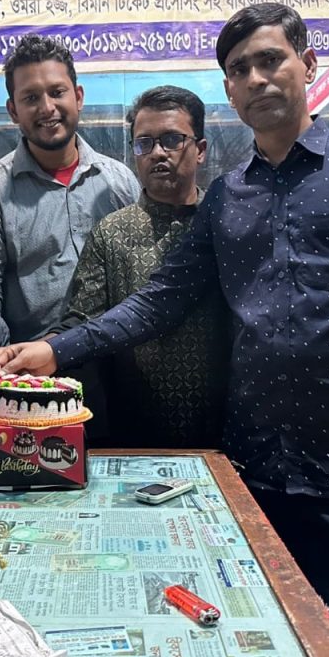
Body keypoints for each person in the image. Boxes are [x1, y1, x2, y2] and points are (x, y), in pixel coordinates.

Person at [0, 4, 329, 657]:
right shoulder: (226, 198)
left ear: (308, 65)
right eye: (239, 69)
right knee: (261, 638)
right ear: (229, 90)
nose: (257, 78)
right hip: (254, 472)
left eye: (270, 60)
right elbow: (157, 303)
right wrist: (51, 348)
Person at [55, 85, 227, 447]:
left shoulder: (226, 224)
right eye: (144, 143)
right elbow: (81, 323)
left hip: (225, 430)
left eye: (172, 140)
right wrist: (42, 351)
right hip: (131, 433)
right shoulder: (111, 233)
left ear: (200, 150)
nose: (157, 153)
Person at [0, 34, 141, 355]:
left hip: (118, 364)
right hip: (31, 372)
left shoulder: (119, 181)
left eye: (57, 92)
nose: (47, 108)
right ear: (13, 110)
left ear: (78, 97)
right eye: (31, 97)